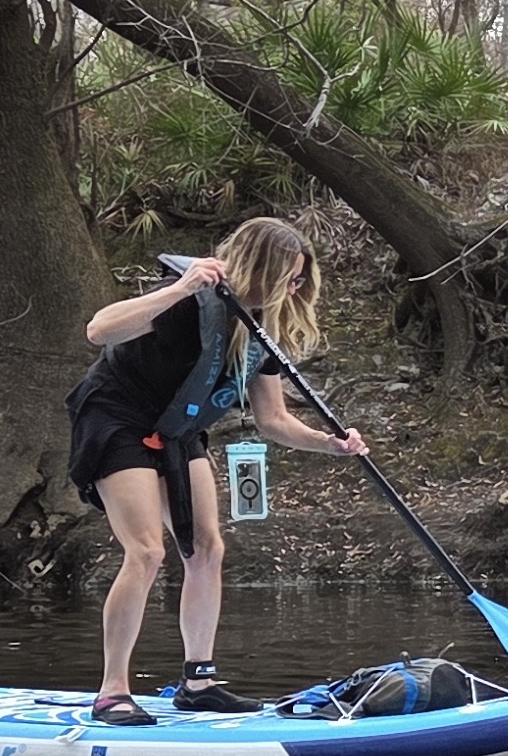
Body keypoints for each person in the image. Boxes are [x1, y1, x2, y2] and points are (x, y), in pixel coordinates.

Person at [66, 217, 367, 725]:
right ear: (261, 269)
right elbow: (100, 329)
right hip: (116, 415)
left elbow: (273, 419)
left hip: (177, 430)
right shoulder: (191, 295)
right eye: (288, 279)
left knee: (207, 549)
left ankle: (197, 683)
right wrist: (180, 289)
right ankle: (111, 691)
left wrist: (329, 445)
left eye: (299, 282)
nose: (294, 290)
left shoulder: (259, 332)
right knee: (145, 551)